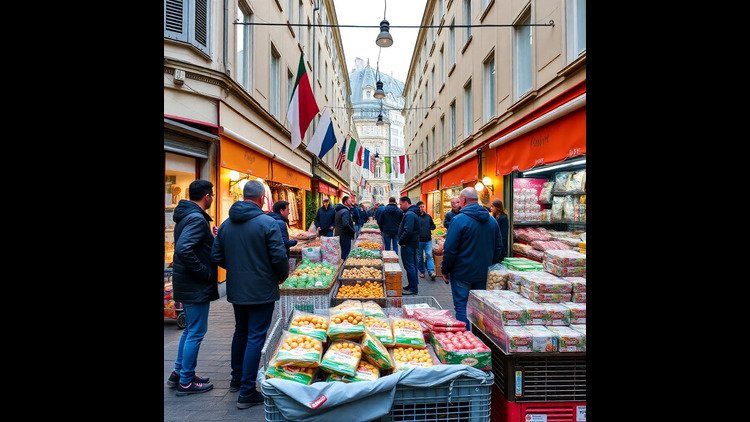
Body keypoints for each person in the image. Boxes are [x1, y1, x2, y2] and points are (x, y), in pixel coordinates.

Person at [211, 180, 289, 409]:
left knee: (241, 332)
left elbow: (216, 256)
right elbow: (279, 257)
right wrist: (280, 276)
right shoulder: (267, 223)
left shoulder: (226, 225)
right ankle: (246, 390)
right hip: (262, 289)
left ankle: (236, 378)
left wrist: (236, 268)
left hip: (237, 289)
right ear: (262, 198)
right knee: (255, 336)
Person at [168, 180, 219, 396]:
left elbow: (190, 246)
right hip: (194, 284)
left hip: (187, 282)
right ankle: (186, 381)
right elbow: (184, 249)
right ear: (206, 196)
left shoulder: (187, 216)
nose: (213, 198)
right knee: (196, 332)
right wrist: (204, 272)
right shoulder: (197, 219)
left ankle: (179, 373)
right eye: (212, 195)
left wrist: (211, 238)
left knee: (190, 330)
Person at [441, 188, 502, 328]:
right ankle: (479, 336)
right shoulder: (492, 220)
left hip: (461, 272)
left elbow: (450, 249)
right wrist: (490, 264)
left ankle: (467, 339)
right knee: (478, 306)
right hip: (483, 273)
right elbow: (499, 246)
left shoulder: (458, 220)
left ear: (463, 200)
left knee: (462, 306)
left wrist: (445, 270)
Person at [397, 196, 421, 295]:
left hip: (408, 244)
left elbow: (408, 231)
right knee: (412, 265)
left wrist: (401, 241)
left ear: (406, 202)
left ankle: (413, 288)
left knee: (409, 266)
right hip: (412, 243)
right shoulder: (412, 213)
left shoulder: (410, 214)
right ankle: (412, 285)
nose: (400, 206)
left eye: (401, 204)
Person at [415, 201, 437, 281]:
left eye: (422, 206)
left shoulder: (428, 216)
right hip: (419, 241)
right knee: (420, 257)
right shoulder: (415, 217)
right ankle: (422, 272)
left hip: (428, 240)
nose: (421, 208)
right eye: (420, 207)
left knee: (429, 255)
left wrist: (430, 227)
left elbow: (433, 226)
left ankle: (431, 272)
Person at [334, 195, 356, 259]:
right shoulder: (345, 211)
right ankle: (345, 266)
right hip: (345, 235)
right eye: (349, 200)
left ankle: (343, 263)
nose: (351, 201)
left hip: (339, 233)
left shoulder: (339, 210)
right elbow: (345, 224)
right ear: (345, 202)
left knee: (343, 252)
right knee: (346, 253)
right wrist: (352, 231)